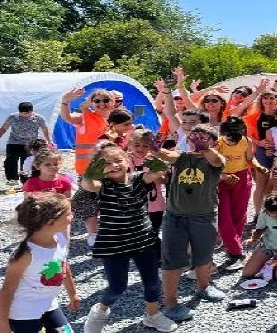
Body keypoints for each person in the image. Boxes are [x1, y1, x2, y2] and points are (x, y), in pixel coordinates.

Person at [79, 143, 176, 333]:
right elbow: (88, 185)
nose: (114, 165)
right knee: (117, 287)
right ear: (99, 166)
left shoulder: (139, 179)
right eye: (106, 163)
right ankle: (99, 311)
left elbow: (156, 174)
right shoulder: (103, 185)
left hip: (143, 240)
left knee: (153, 282)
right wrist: (90, 174)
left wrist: (159, 165)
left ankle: (153, 316)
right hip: (113, 244)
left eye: (118, 160)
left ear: (127, 160)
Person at [155, 124, 226, 322]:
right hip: (174, 216)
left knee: (204, 255)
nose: (197, 140)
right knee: (171, 259)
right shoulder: (182, 157)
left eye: (203, 137)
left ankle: (204, 287)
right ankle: (170, 302)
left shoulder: (214, 160)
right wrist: (153, 148)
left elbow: (217, 160)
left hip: (204, 216)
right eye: (194, 136)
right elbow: (167, 156)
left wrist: (206, 149)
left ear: (214, 142)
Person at [0, 193, 79, 333]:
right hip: (23, 314)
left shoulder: (60, 239)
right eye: (68, 214)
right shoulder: (26, 254)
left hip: (49, 305)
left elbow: (63, 266)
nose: (72, 216)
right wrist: (3, 324)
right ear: (50, 222)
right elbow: (7, 290)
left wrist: (72, 293)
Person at [60, 88, 116, 247]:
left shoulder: (116, 119)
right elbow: (68, 117)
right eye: (97, 101)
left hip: (112, 170)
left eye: (105, 100)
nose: (101, 104)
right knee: (88, 202)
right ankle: (93, 234)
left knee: (110, 201)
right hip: (88, 171)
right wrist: (65, 101)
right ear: (92, 103)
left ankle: (110, 231)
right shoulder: (86, 117)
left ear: (112, 102)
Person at [216, 116, 254, 270]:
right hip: (221, 180)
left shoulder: (246, 141)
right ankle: (236, 252)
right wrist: (223, 176)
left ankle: (233, 249)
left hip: (242, 176)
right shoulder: (217, 144)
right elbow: (212, 165)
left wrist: (259, 168)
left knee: (239, 215)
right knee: (223, 217)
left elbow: (250, 159)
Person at [243, 87, 277, 215]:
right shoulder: (254, 117)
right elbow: (248, 135)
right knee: (261, 183)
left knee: (274, 183)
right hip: (261, 150)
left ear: (276, 100)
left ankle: (271, 209)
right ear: (261, 100)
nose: (268, 101)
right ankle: (257, 214)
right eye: (265, 98)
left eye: (271, 98)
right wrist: (259, 142)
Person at [0, 102, 51, 186]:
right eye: (22, 113)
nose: (24, 115)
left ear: (32, 111)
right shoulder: (13, 117)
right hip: (14, 142)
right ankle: (12, 179)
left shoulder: (38, 118)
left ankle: (25, 180)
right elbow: (3, 129)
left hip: (31, 144)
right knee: (10, 160)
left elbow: (45, 129)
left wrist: (49, 141)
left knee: (26, 162)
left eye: (27, 113)